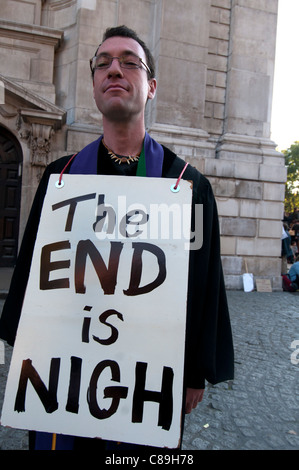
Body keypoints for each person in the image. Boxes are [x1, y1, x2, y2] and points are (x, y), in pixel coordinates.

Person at [0, 25, 234, 450]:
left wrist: (195, 371)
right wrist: (25, 357)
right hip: (65, 370)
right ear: (92, 83)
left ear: (151, 87)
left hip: (148, 376)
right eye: (103, 63)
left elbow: (201, 282)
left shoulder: (186, 186)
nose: (114, 70)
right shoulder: (60, 179)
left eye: (130, 62)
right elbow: (35, 272)